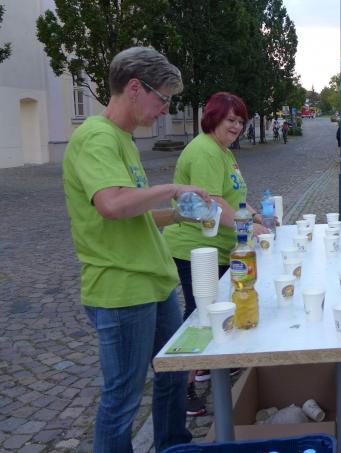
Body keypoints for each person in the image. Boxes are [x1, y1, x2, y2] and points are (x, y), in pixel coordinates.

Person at [63, 47, 205, 452]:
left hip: (154, 283)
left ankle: (173, 445)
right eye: (163, 98)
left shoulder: (123, 139)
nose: (165, 109)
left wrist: (177, 215)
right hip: (122, 288)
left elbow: (133, 212)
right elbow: (111, 205)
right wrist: (172, 188)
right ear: (135, 88)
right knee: (122, 398)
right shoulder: (96, 137)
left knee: (173, 373)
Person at [163, 92, 270, 416]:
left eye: (240, 121)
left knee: (219, 307)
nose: (236, 126)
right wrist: (250, 228)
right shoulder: (205, 151)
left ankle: (210, 365)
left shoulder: (223, 151)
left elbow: (234, 197)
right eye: (230, 119)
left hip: (220, 246)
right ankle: (183, 387)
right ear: (213, 118)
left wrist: (256, 216)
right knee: (200, 316)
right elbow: (213, 203)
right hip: (195, 248)